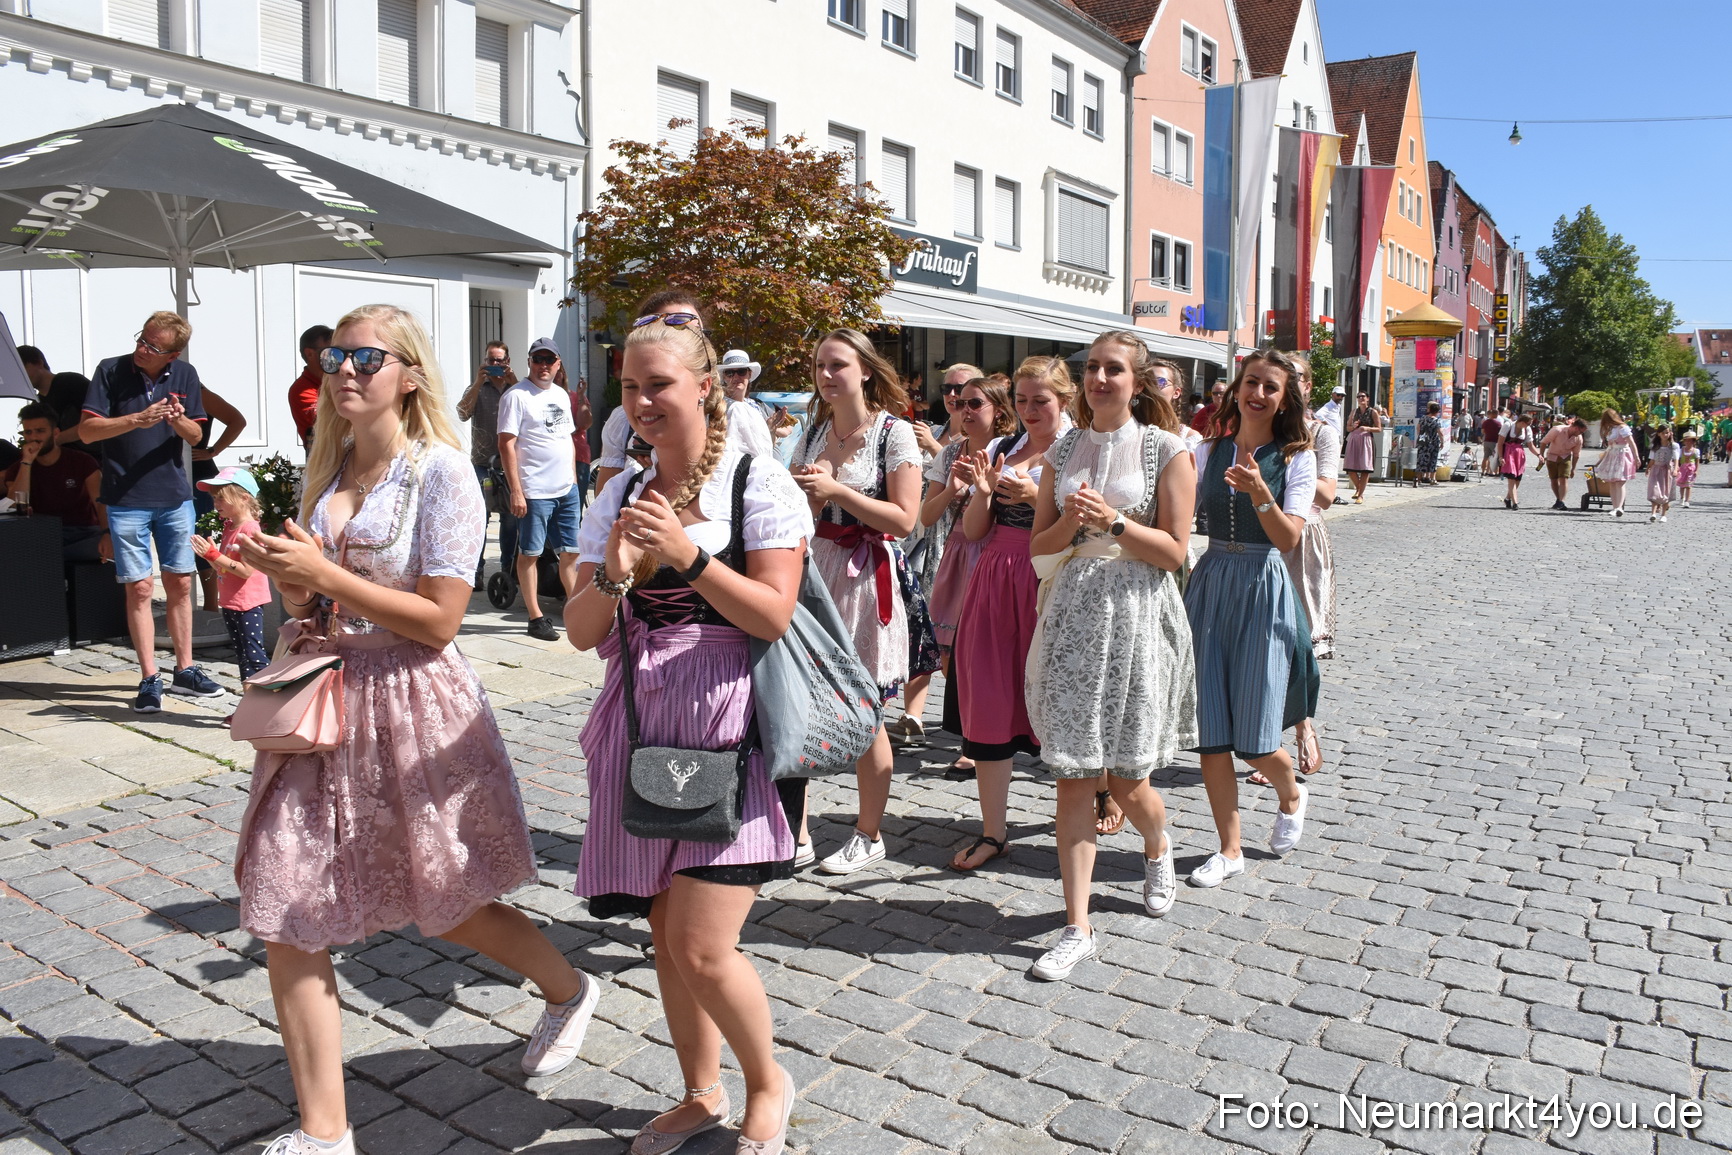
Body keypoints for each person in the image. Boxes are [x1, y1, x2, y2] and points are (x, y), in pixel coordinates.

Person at [234, 305, 595, 1155]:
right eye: (335, 356)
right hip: (323, 704)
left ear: (410, 374)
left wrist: (324, 573)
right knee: (286, 906)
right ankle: (326, 1133)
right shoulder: (323, 474)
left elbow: (440, 620)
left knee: (449, 903)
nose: (347, 369)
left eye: (368, 356)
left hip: (413, 701)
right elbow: (313, 597)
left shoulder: (442, 473)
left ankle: (567, 988)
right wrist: (289, 582)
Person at [563, 315, 805, 1155]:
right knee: (666, 932)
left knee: (703, 943)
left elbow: (773, 614)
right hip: (639, 720)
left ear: (705, 385)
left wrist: (690, 558)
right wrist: (616, 573)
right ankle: (701, 1092)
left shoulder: (756, 483)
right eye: (629, 387)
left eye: (657, 383)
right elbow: (581, 628)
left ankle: (769, 1081)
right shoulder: (616, 494)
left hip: (728, 721)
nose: (640, 402)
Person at [1023, 331, 1197, 982]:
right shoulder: (1063, 447)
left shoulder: (1165, 449)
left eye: (1113, 369)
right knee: (1074, 773)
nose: (1099, 377)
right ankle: (1077, 925)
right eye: (1092, 367)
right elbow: (1041, 550)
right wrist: (1074, 520)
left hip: (1137, 613)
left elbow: (1177, 552)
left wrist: (1116, 521)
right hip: (1074, 612)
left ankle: (1157, 843)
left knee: (1125, 780)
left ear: (1138, 379)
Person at [1184, 347, 1316, 890]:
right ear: (1237, 388)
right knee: (1211, 731)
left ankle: (1291, 793)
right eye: (1252, 383)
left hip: (1264, 584)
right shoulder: (1205, 450)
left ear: (1284, 399)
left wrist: (1263, 492)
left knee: (1258, 736)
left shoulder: (1296, 458)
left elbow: (1288, 538)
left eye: (1270, 387)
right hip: (1211, 579)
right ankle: (1229, 848)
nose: (1258, 393)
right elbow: (1176, 511)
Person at [792, 329, 923, 876]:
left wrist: (839, 491)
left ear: (865, 370)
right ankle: (795, 832)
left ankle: (868, 834)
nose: (826, 375)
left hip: (866, 579)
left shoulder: (894, 435)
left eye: (838, 365)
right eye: (820, 364)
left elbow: (905, 518)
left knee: (863, 711)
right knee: (794, 704)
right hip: (812, 569)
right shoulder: (812, 430)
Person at [947, 357, 1071, 872]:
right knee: (992, 700)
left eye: (1040, 400)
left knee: (1065, 696)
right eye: (1021, 400)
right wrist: (982, 492)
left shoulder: (1079, 448)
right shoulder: (1001, 448)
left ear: (1063, 399)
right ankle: (994, 832)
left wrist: (1038, 494)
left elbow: (1093, 522)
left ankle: (1101, 793)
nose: (1029, 410)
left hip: (1052, 578)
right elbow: (975, 531)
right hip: (997, 575)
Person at [77, 310, 224, 713]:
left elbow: (197, 435)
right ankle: (148, 677)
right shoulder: (110, 370)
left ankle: (186, 670)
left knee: (180, 584)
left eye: (152, 346)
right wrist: (136, 420)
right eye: (141, 339)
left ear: (172, 354)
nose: (141, 349)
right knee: (140, 587)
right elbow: (88, 431)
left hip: (176, 497)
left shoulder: (186, 375)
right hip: (125, 499)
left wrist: (178, 423)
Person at [903, 376, 1013, 768]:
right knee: (949, 654)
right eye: (960, 403)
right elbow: (927, 516)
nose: (964, 410)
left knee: (986, 651)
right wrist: (951, 487)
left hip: (997, 555)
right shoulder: (949, 454)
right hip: (956, 553)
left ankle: (978, 742)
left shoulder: (1011, 450)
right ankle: (973, 730)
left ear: (998, 410)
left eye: (975, 404)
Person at [1249, 354, 1338, 788]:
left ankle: (1301, 725)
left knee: (1299, 642)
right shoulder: (1253, 433)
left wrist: (1291, 457)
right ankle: (1271, 742)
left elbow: (1329, 492)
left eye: (1300, 379)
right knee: (1266, 645)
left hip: (1302, 540)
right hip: (1257, 540)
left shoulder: (1320, 434)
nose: (1296, 385)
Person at [594, 291, 774, 493]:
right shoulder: (623, 421)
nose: (643, 401)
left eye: (693, 334)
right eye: (630, 386)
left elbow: (757, 496)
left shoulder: (738, 416)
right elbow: (604, 505)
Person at [499, 338, 580, 641]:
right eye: (538, 359)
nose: (543, 365)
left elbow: (567, 437)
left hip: (565, 489)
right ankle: (535, 616)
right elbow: (506, 443)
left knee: (571, 552)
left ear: (558, 364)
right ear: (530, 361)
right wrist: (516, 491)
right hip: (535, 490)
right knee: (530, 553)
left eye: (550, 360)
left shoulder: (560, 394)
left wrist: (572, 478)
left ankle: (574, 607)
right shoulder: (516, 396)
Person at [188, 468, 272, 716]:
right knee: (243, 656)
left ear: (244, 497)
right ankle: (250, 707)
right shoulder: (230, 527)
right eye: (214, 498)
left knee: (254, 656)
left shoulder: (250, 530)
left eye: (221, 497)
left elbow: (247, 571)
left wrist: (214, 556)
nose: (216, 503)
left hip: (248, 603)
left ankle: (267, 707)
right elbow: (224, 567)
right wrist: (210, 556)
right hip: (232, 601)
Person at [3, 401, 108, 562]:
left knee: (98, 548)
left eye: (40, 431)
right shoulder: (19, 467)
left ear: (55, 433)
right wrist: (27, 463)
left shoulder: (82, 462)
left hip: (83, 533)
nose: (34, 437)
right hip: (42, 535)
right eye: (28, 432)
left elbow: (100, 502)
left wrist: (107, 533)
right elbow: (14, 504)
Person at [457, 341, 520, 589]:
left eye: (500, 360)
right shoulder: (478, 387)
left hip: (510, 465)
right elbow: (462, 413)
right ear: (485, 362)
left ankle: (507, 571)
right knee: (479, 518)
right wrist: (476, 382)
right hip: (483, 464)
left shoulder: (518, 389)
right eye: (491, 360)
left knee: (511, 519)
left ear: (507, 362)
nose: (495, 365)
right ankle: (477, 572)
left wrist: (514, 381)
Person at [191, 386, 249, 612]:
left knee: (201, 537)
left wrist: (213, 450)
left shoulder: (199, 392)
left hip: (198, 472)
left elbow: (238, 420)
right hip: (166, 473)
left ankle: (209, 604)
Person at [19, 345, 93, 452]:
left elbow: (97, 418)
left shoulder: (71, 382)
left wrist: (54, 440)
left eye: (23, 369)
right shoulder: (36, 405)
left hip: (98, 457)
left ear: (39, 363)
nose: (22, 377)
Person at [912, 363, 980, 459]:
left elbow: (960, 472)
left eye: (959, 389)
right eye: (946, 388)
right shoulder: (931, 432)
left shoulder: (981, 439)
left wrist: (932, 446)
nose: (951, 394)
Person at [287, 325, 333, 453]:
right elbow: (326, 423)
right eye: (330, 352)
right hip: (324, 463)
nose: (337, 357)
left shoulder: (338, 379)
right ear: (310, 354)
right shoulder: (301, 389)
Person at [1595, 409, 1639, 517]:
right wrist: (1600, 461)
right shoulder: (1612, 429)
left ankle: (1619, 507)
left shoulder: (1623, 428)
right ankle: (1615, 507)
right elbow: (1609, 446)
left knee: (1620, 481)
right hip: (1613, 454)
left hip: (1623, 454)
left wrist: (1636, 457)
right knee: (1613, 482)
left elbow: (1631, 443)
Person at [1538, 417, 1586, 510]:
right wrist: (1541, 456)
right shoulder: (1557, 430)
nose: (1581, 434)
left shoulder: (1578, 438)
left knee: (1564, 479)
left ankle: (1561, 501)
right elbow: (1544, 442)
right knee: (1554, 480)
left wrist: (1573, 469)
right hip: (1552, 456)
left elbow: (1576, 455)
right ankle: (1559, 499)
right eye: (1581, 431)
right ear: (1576, 428)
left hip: (1565, 458)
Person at [1494, 412, 1538, 510]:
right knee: (1512, 478)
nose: (1529, 426)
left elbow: (1530, 445)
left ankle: (1507, 498)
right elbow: (1500, 443)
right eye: (1528, 423)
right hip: (1508, 453)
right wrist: (1501, 457)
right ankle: (1515, 503)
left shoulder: (1527, 429)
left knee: (1518, 479)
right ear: (1522, 422)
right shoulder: (1508, 425)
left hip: (1519, 454)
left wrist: (1538, 455)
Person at [1342, 391, 1380, 502]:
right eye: (1358, 396)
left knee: (1365, 468)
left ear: (1367, 398)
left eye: (1363, 396)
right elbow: (1348, 427)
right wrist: (1352, 426)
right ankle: (1359, 489)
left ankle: (1360, 495)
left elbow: (1379, 428)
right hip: (1354, 439)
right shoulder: (1354, 412)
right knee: (1350, 468)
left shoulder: (1373, 412)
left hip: (1366, 440)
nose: (1360, 398)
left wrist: (1368, 428)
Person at [1647, 425, 1678, 523]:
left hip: (1667, 470)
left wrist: (1675, 469)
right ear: (1659, 434)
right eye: (1664, 433)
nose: (1666, 435)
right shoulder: (1655, 446)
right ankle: (1653, 513)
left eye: (1668, 432)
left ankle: (1664, 514)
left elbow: (1676, 459)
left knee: (1665, 492)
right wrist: (1648, 468)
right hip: (1656, 470)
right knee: (1654, 491)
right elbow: (1652, 459)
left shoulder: (1673, 446)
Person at [1415, 401, 1444, 485]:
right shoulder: (1437, 421)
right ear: (1437, 412)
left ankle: (1418, 478)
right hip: (1433, 443)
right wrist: (1442, 442)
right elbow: (1440, 433)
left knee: (1421, 459)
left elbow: (1418, 428)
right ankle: (1432, 479)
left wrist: (1421, 436)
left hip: (1422, 442)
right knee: (1433, 460)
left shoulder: (1423, 418)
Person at [1678, 430, 1701, 507]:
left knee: (1688, 485)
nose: (1688, 442)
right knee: (1682, 485)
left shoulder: (1696, 451)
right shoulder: (1681, 450)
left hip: (1691, 469)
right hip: (1683, 469)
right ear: (1684, 442)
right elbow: (1678, 460)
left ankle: (1687, 500)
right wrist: (1677, 467)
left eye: (1690, 441)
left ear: (1693, 442)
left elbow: (1697, 461)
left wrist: (1697, 470)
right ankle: (1682, 497)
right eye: (1687, 441)